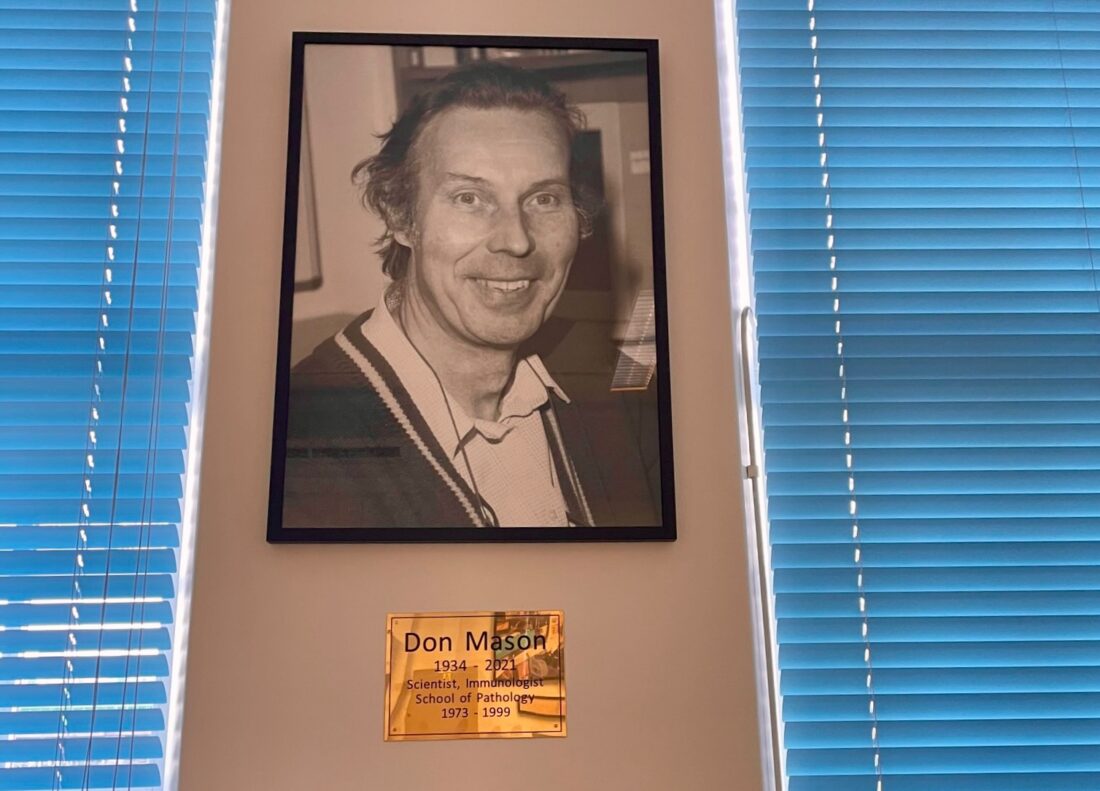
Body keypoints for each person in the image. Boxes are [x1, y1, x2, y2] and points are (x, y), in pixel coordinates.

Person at [281, 61, 660, 529]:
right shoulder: (299, 447)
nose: (516, 240)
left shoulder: (622, 396)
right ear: (402, 217)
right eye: (469, 199)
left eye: (544, 198)